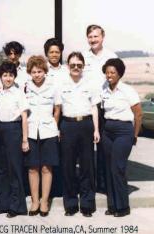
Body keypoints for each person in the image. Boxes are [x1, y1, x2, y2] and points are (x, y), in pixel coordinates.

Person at [58, 52, 101, 217]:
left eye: (79, 65)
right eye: (73, 65)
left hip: (86, 125)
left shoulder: (90, 84)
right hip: (67, 125)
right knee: (67, 166)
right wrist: (58, 129)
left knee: (87, 166)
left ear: (83, 66)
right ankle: (70, 204)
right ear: (68, 66)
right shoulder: (61, 84)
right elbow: (57, 109)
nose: (76, 67)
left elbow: (94, 108)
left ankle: (87, 203)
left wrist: (96, 130)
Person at [101, 58, 142, 217]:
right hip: (108, 131)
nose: (109, 75)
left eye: (113, 72)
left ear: (119, 74)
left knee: (117, 168)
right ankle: (112, 205)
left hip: (124, 131)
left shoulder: (127, 90)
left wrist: (135, 134)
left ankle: (123, 206)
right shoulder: (104, 88)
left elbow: (138, 114)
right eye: (107, 72)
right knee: (108, 168)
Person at [82, 25, 118, 193]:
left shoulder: (111, 56)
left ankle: (103, 184)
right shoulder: (83, 57)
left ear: (103, 37)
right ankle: (87, 184)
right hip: (87, 106)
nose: (93, 39)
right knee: (85, 148)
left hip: (105, 107)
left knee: (104, 147)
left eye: (96, 36)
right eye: (90, 36)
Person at [24, 56, 60, 217]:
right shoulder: (25, 88)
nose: (37, 75)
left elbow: (57, 109)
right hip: (31, 131)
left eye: (40, 71)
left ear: (45, 71)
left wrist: (55, 127)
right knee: (33, 168)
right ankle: (35, 201)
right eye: (34, 72)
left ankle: (44, 201)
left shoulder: (53, 87)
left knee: (47, 167)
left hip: (48, 131)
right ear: (29, 73)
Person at [0, 61, 29, 218]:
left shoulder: (19, 93)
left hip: (14, 131)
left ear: (15, 76)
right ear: (0, 77)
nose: (8, 78)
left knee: (14, 169)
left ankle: (17, 206)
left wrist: (25, 139)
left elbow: (24, 117)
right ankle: (3, 203)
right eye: (5, 75)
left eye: (11, 75)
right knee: (1, 169)